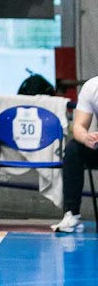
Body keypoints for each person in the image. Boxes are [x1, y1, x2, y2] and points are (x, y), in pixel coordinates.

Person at [53, 73, 98, 233]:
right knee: (74, 149)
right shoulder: (92, 87)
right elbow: (78, 126)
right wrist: (86, 138)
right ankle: (71, 214)